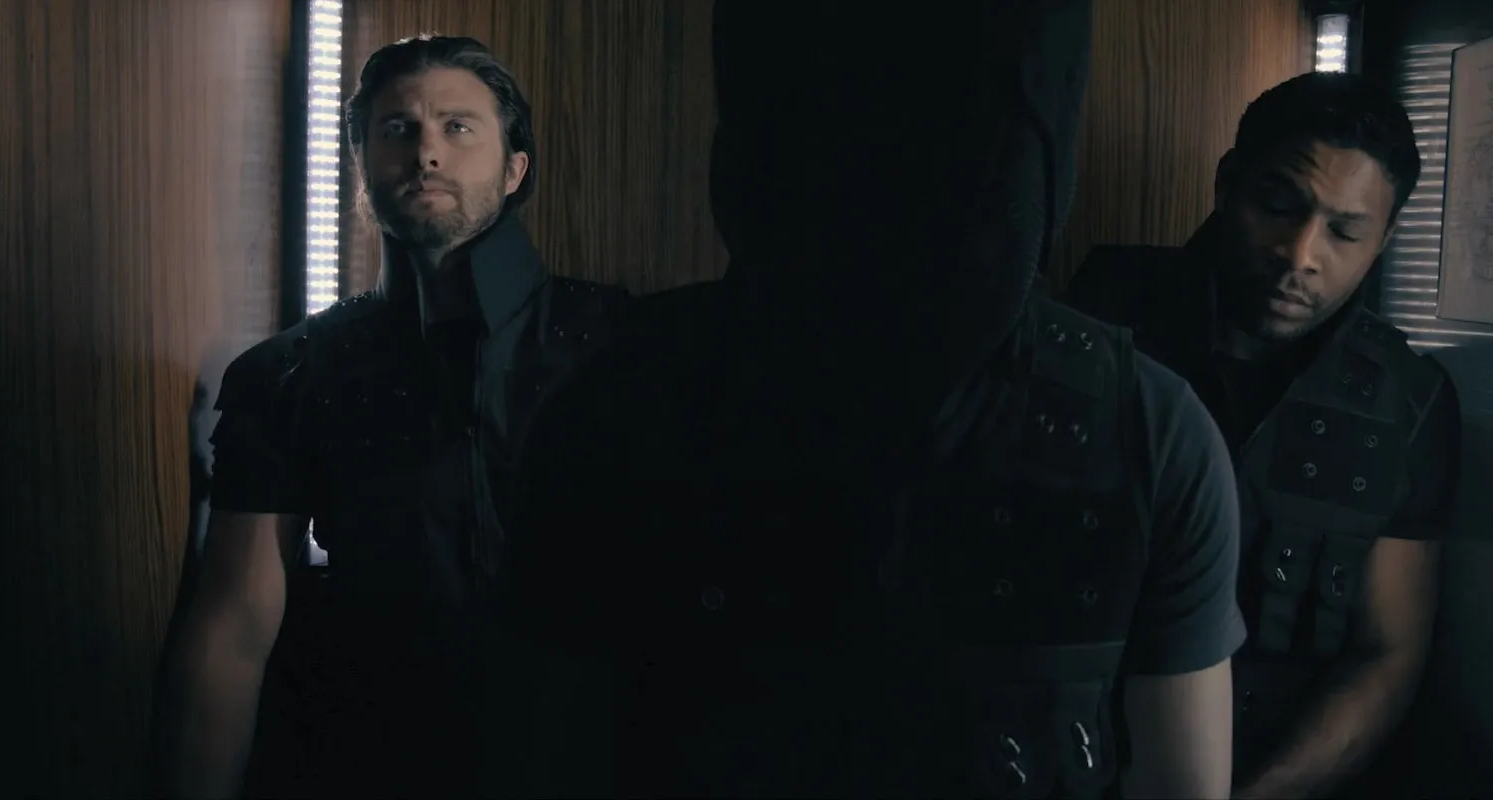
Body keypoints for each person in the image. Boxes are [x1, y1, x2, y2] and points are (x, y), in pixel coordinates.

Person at [494, 1, 1244, 797]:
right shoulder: (613, 416)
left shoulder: (1143, 432)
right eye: (836, 141)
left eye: (948, 145)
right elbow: (543, 754)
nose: (888, 199)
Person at [149, 35, 628, 799]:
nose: (426, 152)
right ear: (362, 164)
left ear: (515, 169)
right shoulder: (290, 372)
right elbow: (233, 632)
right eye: (399, 129)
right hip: (379, 757)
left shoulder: (621, 342)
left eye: (457, 127)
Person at [1061, 71, 1462, 799]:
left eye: (1345, 231)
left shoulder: (1410, 402)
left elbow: (1387, 655)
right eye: (1279, 206)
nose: (1300, 254)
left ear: (1385, 238)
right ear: (1228, 185)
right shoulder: (1091, 325)